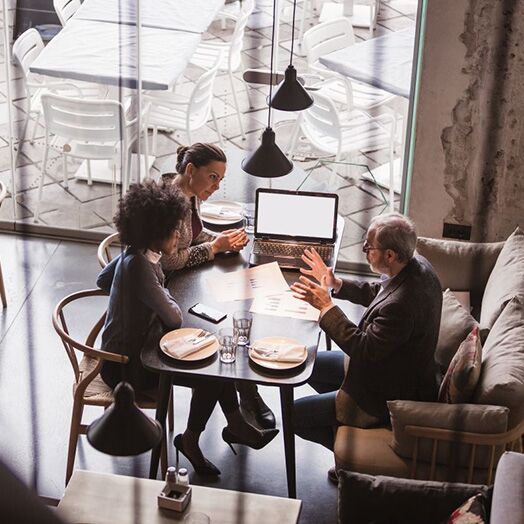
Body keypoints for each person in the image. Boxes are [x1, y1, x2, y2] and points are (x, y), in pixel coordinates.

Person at [97, 180, 278, 476]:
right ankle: (197, 439)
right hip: (125, 367)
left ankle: (230, 426)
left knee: (215, 361)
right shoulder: (142, 267)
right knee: (211, 371)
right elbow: (174, 317)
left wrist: (131, 300)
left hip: (128, 346)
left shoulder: (134, 252)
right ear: (156, 233)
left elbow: (103, 280)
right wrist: (156, 290)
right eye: (175, 231)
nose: (181, 236)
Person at [290, 213, 442, 478]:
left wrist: (326, 307)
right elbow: (380, 292)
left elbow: (364, 350)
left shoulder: (402, 306)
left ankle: (352, 466)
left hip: (386, 389)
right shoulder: (417, 266)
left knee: (294, 416)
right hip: (389, 365)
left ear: (391, 255)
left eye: (369, 246)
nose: (363, 249)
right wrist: (336, 285)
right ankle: (339, 412)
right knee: (308, 363)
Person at [160, 143, 276, 430]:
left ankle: (244, 399)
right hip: (168, 292)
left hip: (183, 282)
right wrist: (214, 248)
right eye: (213, 177)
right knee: (223, 330)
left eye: (221, 180)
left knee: (232, 318)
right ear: (190, 170)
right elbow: (170, 261)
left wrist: (224, 240)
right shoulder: (169, 205)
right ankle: (247, 393)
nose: (217, 186)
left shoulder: (189, 195)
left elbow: (192, 235)